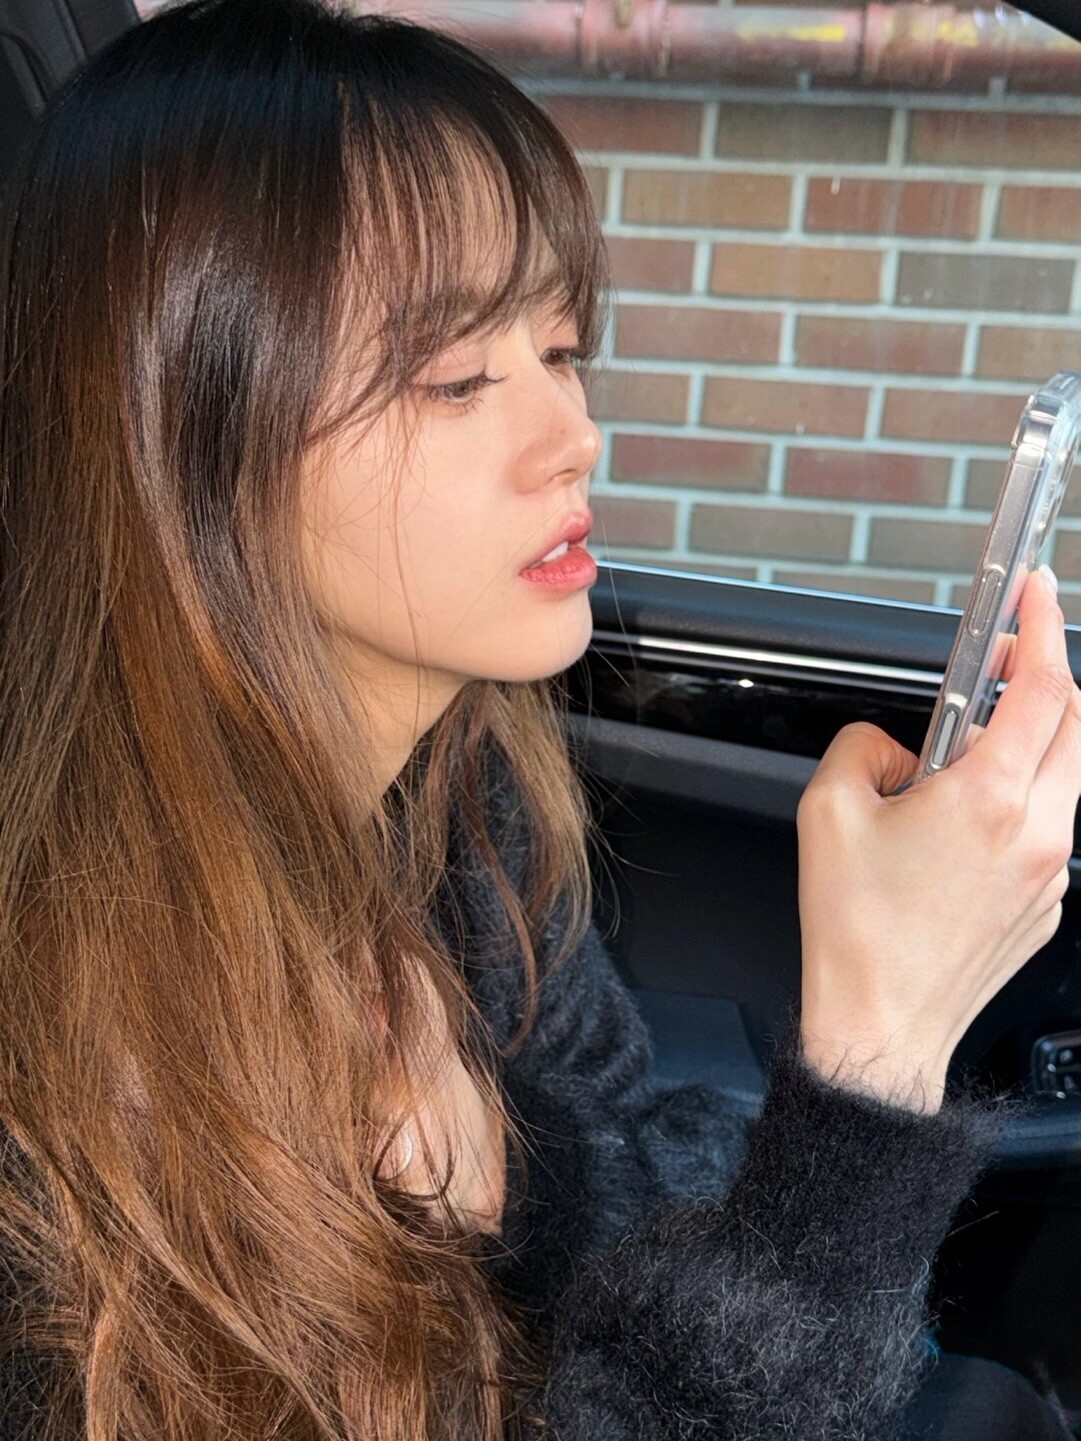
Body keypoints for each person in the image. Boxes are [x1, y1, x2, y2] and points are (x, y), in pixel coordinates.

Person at [0, 0, 1077, 1436]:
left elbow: (640, 1157)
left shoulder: (461, 791)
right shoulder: (64, 1050)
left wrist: (512, 1175)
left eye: (563, 349)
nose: (575, 436)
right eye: (454, 379)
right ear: (183, 439)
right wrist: (877, 1049)